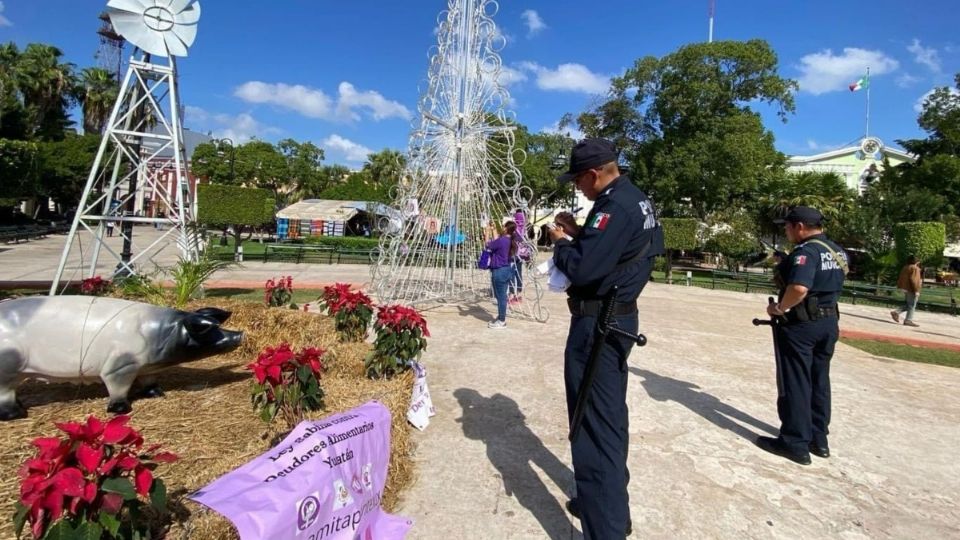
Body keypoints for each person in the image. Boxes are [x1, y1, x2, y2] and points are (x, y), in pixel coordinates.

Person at [548, 138, 664, 538]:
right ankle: (609, 505)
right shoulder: (636, 200)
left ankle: (606, 528)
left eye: (578, 180)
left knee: (593, 425)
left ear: (593, 174)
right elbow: (621, 253)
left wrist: (563, 245)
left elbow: (583, 269)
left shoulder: (613, 207)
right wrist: (582, 233)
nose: (577, 188)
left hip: (598, 324)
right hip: (619, 318)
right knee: (609, 418)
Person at [757, 206, 847, 466]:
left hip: (802, 325)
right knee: (819, 380)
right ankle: (818, 438)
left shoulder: (805, 253)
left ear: (799, 226)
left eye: (787, 226)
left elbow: (799, 287)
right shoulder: (836, 250)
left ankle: (794, 442)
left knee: (795, 381)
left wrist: (780, 308)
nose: (785, 231)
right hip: (828, 320)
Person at [483, 221, 518, 329]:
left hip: (499, 271)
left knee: (501, 297)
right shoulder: (509, 240)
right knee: (502, 296)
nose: (502, 228)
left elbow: (487, 244)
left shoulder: (503, 240)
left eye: (503, 226)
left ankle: (502, 321)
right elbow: (497, 241)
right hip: (507, 270)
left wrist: (488, 231)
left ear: (507, 228)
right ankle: (501, 317)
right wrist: (493, 230)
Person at [891, 256, 922, 327]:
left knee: (909, 304)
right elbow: (914, 280)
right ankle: (908, 320)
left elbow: (900, 277)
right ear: (917, 262)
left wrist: (900, 286)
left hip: (905, 288)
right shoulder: (915, 268)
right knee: (912, 305)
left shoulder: (906, 267)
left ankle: (896, 312)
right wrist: (916, 290)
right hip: (911, 289)